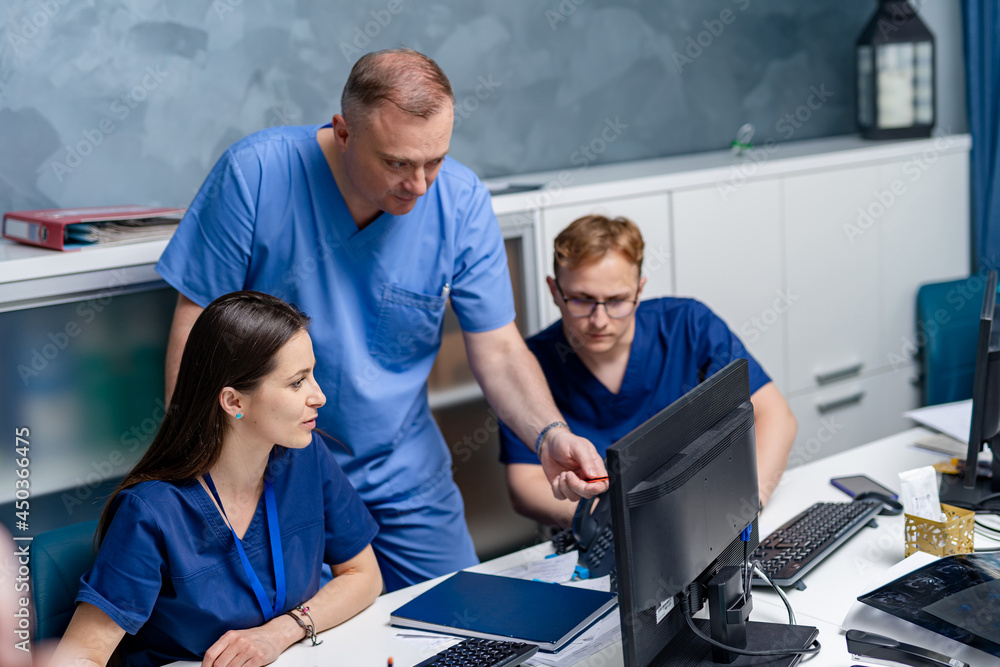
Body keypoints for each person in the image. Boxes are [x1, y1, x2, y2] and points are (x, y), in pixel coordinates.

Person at [155, 49, 607, 590]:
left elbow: (500, 349)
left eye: (434, 160)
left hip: (403, 473)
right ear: (343, 132)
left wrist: (548, 434)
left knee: (464, 626)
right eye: (396, 163)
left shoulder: (459, 201)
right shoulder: (255, 175)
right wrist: (206, 475)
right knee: (311, 638)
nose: (419, 185)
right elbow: (197, 337)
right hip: (274, 470)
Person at [50, 292, 381, 667]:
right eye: (296, 383)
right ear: (234, 402)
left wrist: (282, 631)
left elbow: (363, 574)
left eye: (312, 374)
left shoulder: (307, 459)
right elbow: (80, 656)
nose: (318, 396)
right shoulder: (152, 512)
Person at [500, 215, 797, 528]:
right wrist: (615, 527)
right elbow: (525, 484)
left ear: (639, 290)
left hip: (705, 520)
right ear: (554, 290)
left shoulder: (688, 325)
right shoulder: (530, 364)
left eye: (617, 301)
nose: (599, 320)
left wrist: (749, 504)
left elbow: (774, 415)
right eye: (582, 300)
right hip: (601, 534)